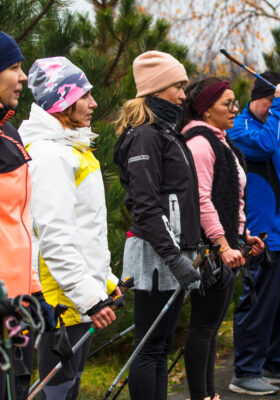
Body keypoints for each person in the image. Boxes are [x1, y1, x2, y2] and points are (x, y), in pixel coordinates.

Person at [19, 56, 120, 399]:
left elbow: (87, 231)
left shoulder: (70, 148)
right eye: (84, 95)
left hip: (77, 296)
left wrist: (105, 284)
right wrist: (90, 298)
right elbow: (55, 237)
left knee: (69, 388)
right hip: (60, 300)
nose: (93, 103)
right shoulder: (49, 156)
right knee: (58, 393)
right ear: (60, 100)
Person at [114, 50, 201, 400]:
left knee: (161, 347)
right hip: (155, 256)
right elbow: (146, 207)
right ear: (156, 88)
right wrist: (175, 257)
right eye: (177, 87)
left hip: (172, 252)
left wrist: (195, 249)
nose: (183, 95)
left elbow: (183, 198)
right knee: (149, 348)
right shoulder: (146, 136)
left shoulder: (168, 133)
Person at [226, 71, 280, 395]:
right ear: (257, 98)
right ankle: (245, 370)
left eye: (275, 102)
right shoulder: (243, 127)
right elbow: (265, 145)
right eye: (268, 102)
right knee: (260, 303)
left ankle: (274, 362)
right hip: (266, 235)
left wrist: (278, 110)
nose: (272, 108)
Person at [179, 77, 265, 400]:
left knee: (211, 326)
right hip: (210, 250)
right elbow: (201, 200)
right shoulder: (200, 143)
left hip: (226, 246)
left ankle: (209, 394)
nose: (234, 109)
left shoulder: (222, 141)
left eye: (235, 103)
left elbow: (232, 198)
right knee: (203, 326)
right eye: (227, 104)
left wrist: (244, 236)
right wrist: (223, 244)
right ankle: (201, 396)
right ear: (205, 109)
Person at [0, 31, 56, 400]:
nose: (23, 78)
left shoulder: (9, 133)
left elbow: (21, 224)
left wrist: (35, 292)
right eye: (15, 67)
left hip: (16, 308)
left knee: (18, 387)